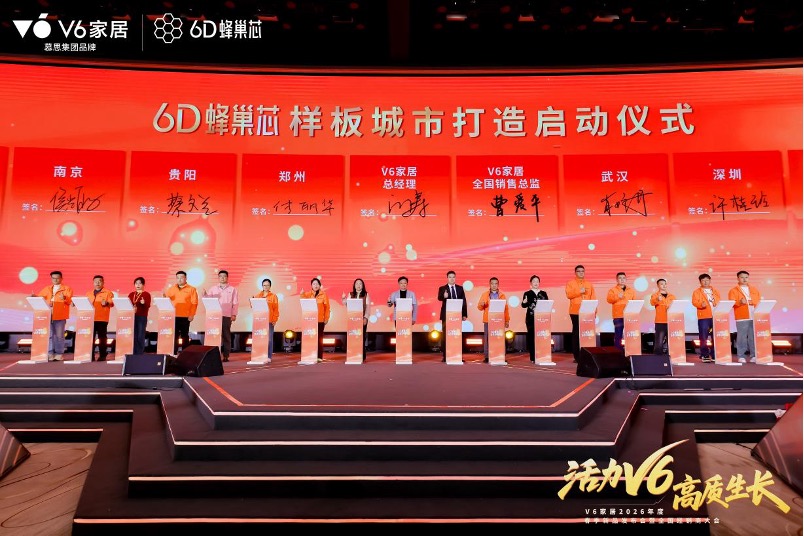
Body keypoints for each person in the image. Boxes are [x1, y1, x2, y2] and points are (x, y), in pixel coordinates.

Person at [35, 270, 73, 361]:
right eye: (53, 278)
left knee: (59, 336)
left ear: (61, 278)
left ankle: (59, 353)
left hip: (60, 315)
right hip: (47, 315)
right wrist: (34, 297)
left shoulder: (67, 288)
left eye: (57, 278)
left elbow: (70, 301)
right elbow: (40, 298)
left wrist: (64, 298)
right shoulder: (47, 288)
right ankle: (50, 353)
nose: (55, 280)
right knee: (49, 335)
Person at [203, 270, 239, 362]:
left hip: (227, 315)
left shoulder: (232, 289)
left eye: (224, 276)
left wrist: (234, 314)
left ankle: (226, 355)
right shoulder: (213, 289)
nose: (222, 278)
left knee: (226, 335)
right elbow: (208, 301)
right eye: (220, 276)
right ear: (218, 278)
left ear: (227, 277)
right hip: (215, 316)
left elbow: (235, 303)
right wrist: (205, 295)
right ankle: (213, 355)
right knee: (214, 335)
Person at [728, 270, 761, 364]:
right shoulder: (733, 290)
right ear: (738, 278)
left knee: (752, 337)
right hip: (742, 316)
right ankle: (741, 356)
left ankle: (754, 355)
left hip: (754, 315)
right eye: (742, 277)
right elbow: (732, 302)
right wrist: (739, 302)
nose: (744, 279)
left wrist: (751, 302)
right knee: (741, 337)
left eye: (746, 277)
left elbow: (758, 300)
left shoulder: (754, 289)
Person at [565, 265, 596, 362]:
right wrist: (579, 291)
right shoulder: (570, 283)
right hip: (575, 311)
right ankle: (577, 356)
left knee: (587, 334)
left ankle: (587, 355)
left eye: (582, 271)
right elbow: (569, 295)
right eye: (579, 271)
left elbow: (593, 298)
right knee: (576, 333)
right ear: (575, 273)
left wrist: (594, 311)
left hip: (587, 312)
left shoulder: (589, 284)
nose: (581, 273)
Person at [477, 277, 510, 363]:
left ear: (498, 285)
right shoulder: (485, 294)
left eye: (496, 283)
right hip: (488, 320)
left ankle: (501, 355)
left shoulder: (502, 295)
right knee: (487, 338)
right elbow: (479, 307)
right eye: (492, 283)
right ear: (490, 284)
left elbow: (506, 309)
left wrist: (507, 320)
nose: (494, 285)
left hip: (499, 320)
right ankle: (487, 356)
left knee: (500, 338)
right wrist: (481, 304)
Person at [165, 270, 198, 354]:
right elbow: (166, 300)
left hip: (185, 316)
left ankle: (185, 353)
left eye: (181, 277)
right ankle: (173, 353)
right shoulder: (171, 289)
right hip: (173, 316)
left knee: (184, 335)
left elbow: (194, 303)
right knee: (174, 335)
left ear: (186, 278)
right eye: (178, 278)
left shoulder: (192, 289)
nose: (179, 279)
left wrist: (192, 314)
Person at [437, 270, 467, 361]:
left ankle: (458, 355)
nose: (452, 279)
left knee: (457, 334)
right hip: (446, 316)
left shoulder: (460, 288)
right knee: (445, 335)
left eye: (453, 277)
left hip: (457, 315)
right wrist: (444, 296)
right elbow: (439, 298)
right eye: (450, 277)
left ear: (455, 278)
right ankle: (446, 356)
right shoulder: (442, 288)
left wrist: (464, 314)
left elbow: (464, 301)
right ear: (447, 278)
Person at [691, 273, 720, 363]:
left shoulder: (715, 291)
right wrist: (701, 304)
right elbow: (694, 302)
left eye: (707, 280)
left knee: (715, 336)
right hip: (704, 316)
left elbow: (719, 300)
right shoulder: (697, 292)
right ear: (700, 282)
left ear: (710, 281)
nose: (705, 282)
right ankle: (704, 354)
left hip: (716, 316)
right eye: (703, 280)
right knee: (703, 336)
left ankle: (714, 354)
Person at [300, 278, 330, 362]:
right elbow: (303, 303)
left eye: (317, 284)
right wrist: (302, 294)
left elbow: (327, 308)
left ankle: (319, 356)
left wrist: (326, 318)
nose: (315, 285)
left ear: (320, 285)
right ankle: (309, 355)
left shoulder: (324, 295)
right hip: (310, 320)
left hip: (320, 320)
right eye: (314, 284)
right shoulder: (308, 294)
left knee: (319, 339)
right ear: (311, 286)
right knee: (310, 337)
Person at [521, 275, 549, 363]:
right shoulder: (527, 293)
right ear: (531, 283)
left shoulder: (543, 293)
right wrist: (524, 302)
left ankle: (542, 355)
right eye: (534, 281)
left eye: (537, 281)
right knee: (532, 338)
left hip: (542, 319)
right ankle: (533, 357)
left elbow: (547, 304)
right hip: (531, 319)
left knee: (542, 337)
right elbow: (523, 305)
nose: (536, 283)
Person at [87, 275, 115, 361]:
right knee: (90, 338)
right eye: (96, 281)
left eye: (100, 281)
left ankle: (102, 355)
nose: (98, 283)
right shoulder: (89, 293)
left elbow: (112, 303)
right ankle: (90, 356)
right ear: (93, 283)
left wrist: (106, 303)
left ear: (103, 282)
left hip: (102, 318)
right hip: (90, 318)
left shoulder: (108, 292)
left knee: (102, 337)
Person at [606, 272, 635, 353]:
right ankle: (618, 352)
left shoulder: (631, 290)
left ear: (626, 279)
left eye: (623, 278)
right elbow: (609, 300)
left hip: (629, 316)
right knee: (618, 335)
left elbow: (634, 302)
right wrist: (617, 296)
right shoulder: (613, 290)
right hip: (618, 316)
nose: (622, 280)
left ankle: (630, 352)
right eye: (620, 278)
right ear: (617, 279)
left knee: (630, 334)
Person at [253, 278, 280, 363]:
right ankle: (259, 355)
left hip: (269, 320)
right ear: (262, 286)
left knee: (269, 339)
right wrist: (252, 301)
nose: (266, 287)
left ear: (270, 286)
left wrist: (275, 319)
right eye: (264, 285)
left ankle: (268, 356)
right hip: (260, 320)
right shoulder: (258, 296)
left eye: (267, 285)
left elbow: (276, 309)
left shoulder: (273, 296)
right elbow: (254, 307)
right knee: (260, 338)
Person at [342, 278, 369, 360]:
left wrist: (365, 317)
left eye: (360, 284)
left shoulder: (366, 294)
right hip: (352, 319)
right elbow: (347, 305)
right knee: (353, 336)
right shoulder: (350, 294)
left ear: (363, 285)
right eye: (357, 283)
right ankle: (353, 354)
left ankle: (362, 355)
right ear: (354, 285)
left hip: (362, 319)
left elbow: (368, 307)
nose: (358, 285)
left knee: (361, 337)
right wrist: (344, 299)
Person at [649, 279, 675, 355]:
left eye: (665, 284)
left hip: (671, 321)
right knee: (659, 341)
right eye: (661, 284)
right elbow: (652, 303)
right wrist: (657, 299)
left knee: (672, 340)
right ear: (658, 285)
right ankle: (658, 357)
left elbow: (676, 306)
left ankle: (671, 355)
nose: (664, 285)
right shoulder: (655, 295)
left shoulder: (672, 296)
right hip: (660, 321)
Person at [128, 277, 151, 355]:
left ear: (143, 284)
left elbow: (148, 306)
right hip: (132, 317)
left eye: (140, 283)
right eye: (136, 283)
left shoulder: (146, 294)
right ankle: (133, 353)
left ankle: (139, 353)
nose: (138, 285)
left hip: (141, 317)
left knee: (140, 336)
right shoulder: (131, 294)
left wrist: (144, 303)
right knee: (133, 336)